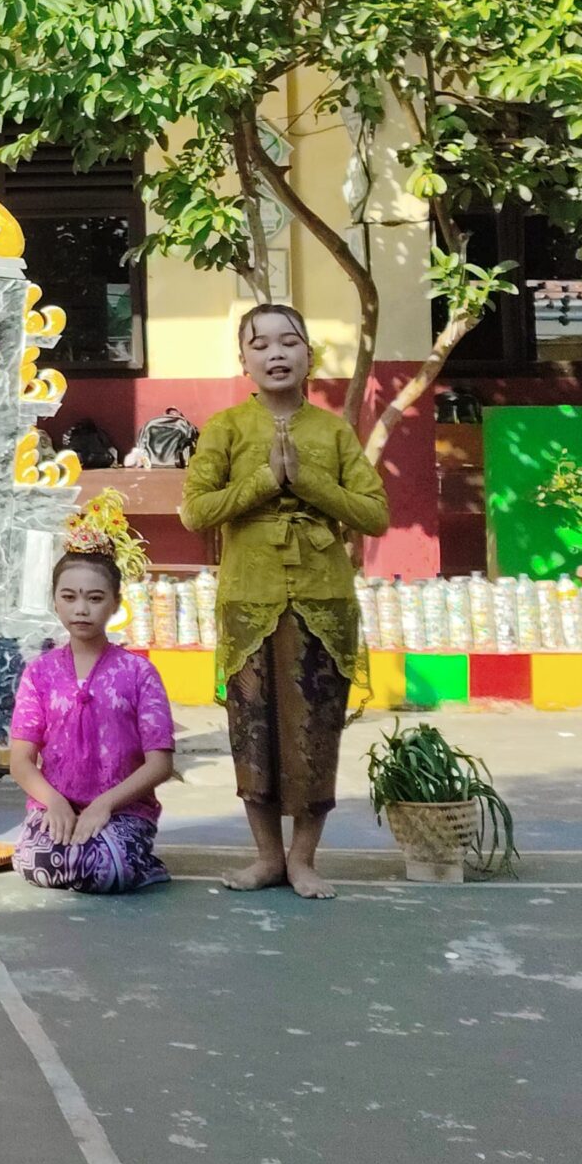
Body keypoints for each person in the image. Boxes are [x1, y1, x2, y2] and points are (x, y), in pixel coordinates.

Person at [180, 302, 389, 900]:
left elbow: (375, 514)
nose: (276, 353)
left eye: (289, 342)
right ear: (243, 359)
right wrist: (266, 482)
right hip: (249, 601)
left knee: (315, 730)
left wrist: (308, 482)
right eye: (261, 344)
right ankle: (267, 858)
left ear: (308, 356)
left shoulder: (334, 431)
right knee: (254, 730)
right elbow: (196, 510)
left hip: (323, 602)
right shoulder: (224, 428)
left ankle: (304, 860)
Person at [7, 494, 176, 895]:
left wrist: (104, 805)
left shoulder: (139, 673)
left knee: (106, 870)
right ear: (55, 601)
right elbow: (20, 761)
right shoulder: (39, 673)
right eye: (69, 597)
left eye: (95, 598)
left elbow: (160, 764)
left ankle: (142, 863)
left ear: (116, 604)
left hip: (124, 810)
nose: (81, 609)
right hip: (55, 806)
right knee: (37, 865)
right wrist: (55, 802)